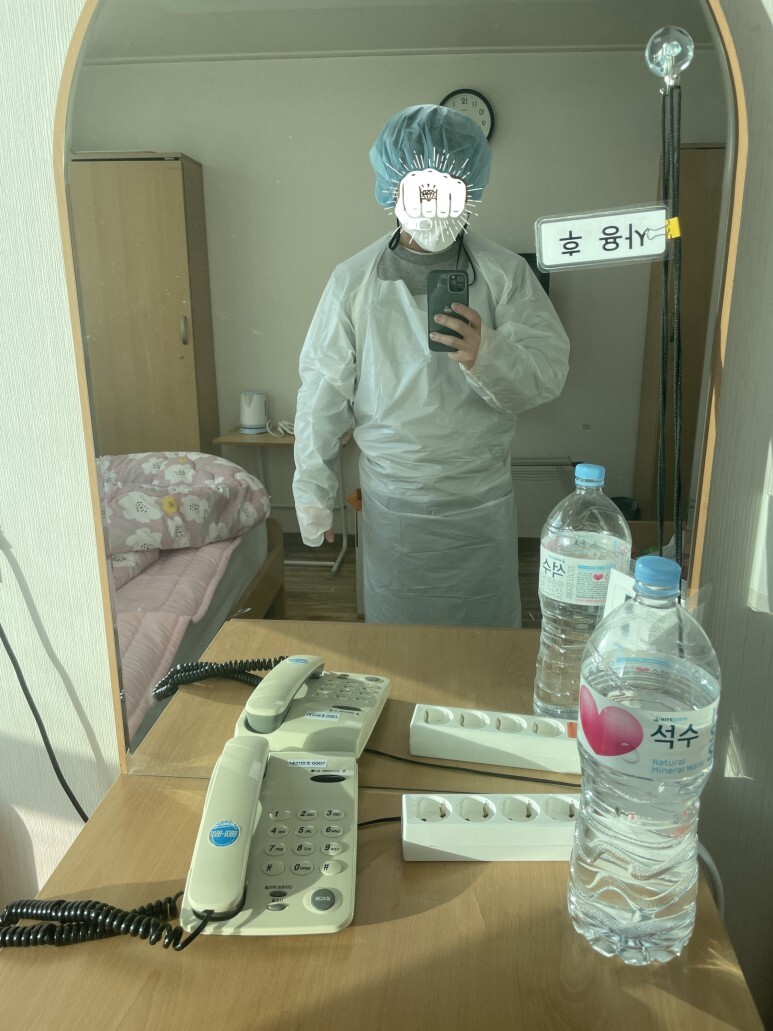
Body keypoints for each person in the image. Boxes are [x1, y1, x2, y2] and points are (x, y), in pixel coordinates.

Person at [292, 104, 569, 627]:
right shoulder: (352, 282)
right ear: (392, 189)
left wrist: (488, 354)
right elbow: (322, 392)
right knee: (400, 647)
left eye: (447, 187)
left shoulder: (505, 274)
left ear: (470, 190)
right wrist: (312, 491)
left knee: (484, 643)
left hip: (479, 503)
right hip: (394, 506)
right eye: (420, 188)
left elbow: (546, 374)